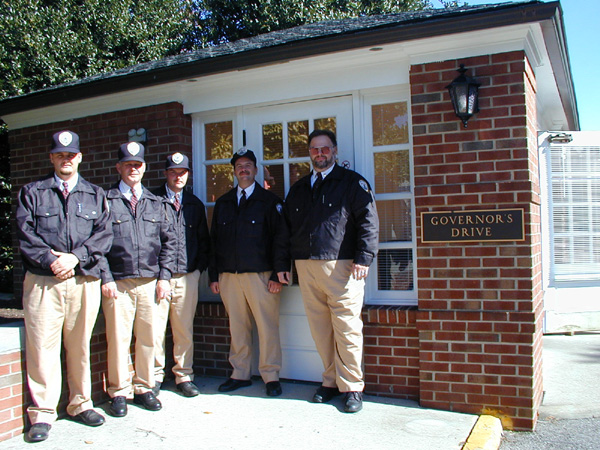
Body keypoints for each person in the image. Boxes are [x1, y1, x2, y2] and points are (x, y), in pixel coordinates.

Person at [16, 130, 112, 442]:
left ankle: (80, 403)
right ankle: (43, 413)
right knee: (42, 347)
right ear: (52, 158)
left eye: (71, 155)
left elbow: (103, 235)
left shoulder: (95, 194)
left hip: (83, 280)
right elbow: (25, 233)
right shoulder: (32, 192)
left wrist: (75, 258)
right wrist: (50, 260)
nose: (65, 159)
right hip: (43, 283)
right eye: (60, 155)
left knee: (80, 345)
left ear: (80, 157)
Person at [281, 129, 379, 413]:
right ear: (309, 153)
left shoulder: (351, 183)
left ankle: (352, 387)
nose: (319, 154)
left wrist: (364, 257)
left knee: (347, 328)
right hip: (306, 267)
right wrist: (282, 265)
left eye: (325, 149)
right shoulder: (299, 189)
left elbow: (368, 222)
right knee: (320, 329)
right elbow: (285, 230)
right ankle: (331, 380)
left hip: (343, 267)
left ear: (334, 150)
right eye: (314, 149)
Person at [100, 142, 175, 417]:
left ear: (144, 168)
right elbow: (98, 244)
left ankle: (145, 388)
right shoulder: (106, 201)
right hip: (118, 284)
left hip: (149, 282)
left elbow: (170, 243)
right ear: (119, 167)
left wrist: (164, 277)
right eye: (128, 164)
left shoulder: (156, 203)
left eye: (138, 164)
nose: (134, 168)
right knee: (118, 339)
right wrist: (106, 277)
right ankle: (119, 392)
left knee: (149, 339)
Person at [209, 148, 289, 397]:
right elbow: (215, 242)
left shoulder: (269, 202)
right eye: (239, 166)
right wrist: (214, 275)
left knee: (267, 327)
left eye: (248, 165)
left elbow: (281, 240)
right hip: (229, 277)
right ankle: (240, 373)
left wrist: (278, 274)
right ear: (234, 171)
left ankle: (270, 375)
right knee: (238, 327)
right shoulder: (223, 203)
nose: (243, 169)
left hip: (262, 277)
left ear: (256, 170)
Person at [152, 153, 210, 398]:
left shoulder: (194, 204)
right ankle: (153, 377)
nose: (179, 176)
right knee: (154, 330)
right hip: (158, 278)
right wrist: (157, 275)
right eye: (174, 171)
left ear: (188, 174)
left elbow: (203, 241)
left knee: (184, 330)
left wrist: (197, 270)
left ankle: (183, 376)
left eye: (183, 172)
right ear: (166, 173)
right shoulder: (152, 200)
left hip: (187, 276)